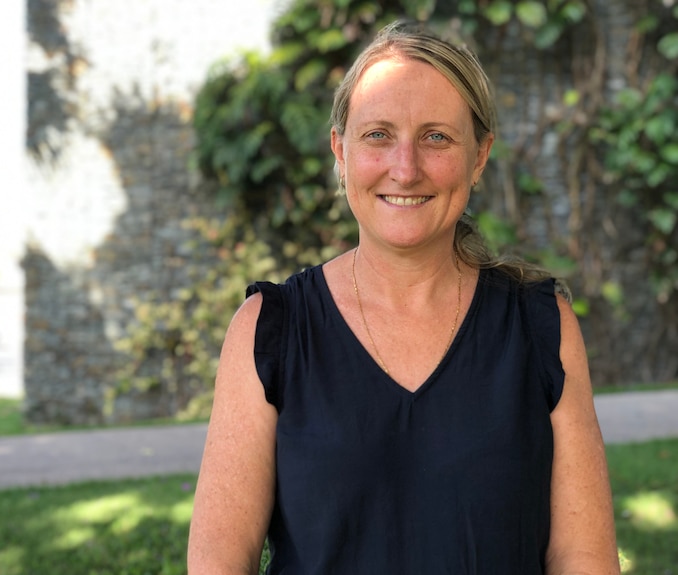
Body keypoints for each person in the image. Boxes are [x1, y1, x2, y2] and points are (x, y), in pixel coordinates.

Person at [187, 20, 619, 575]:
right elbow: (220, 563)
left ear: (479, 156)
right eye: (378, 135)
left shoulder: (541, 327)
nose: (406, 168)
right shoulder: (269, 330)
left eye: (436, 137)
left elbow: (584, 560)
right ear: (341, 152)